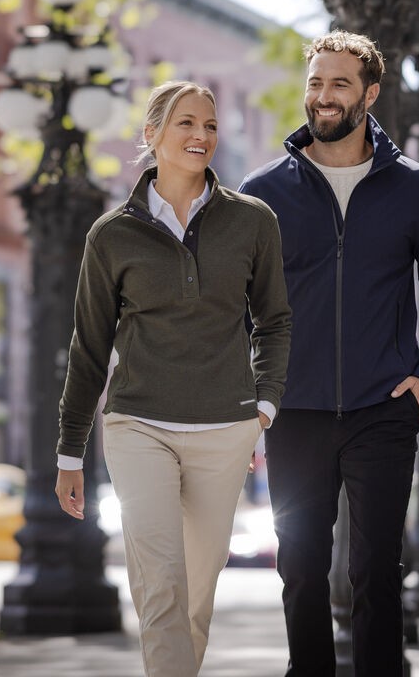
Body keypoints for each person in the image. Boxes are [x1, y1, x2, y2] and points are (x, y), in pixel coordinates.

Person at [239, 31, 419, 677]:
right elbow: (237, 299)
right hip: (294, 409)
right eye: (316, 82)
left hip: (383, 407)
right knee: (300, 567)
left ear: (369, 94)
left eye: (339, 84)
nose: (323, 95)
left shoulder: (413, 187)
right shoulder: (264, 191)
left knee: (377, 571)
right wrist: (253, 391)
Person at [55, 80, 291, 677]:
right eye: (186, 122)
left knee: (196, 594)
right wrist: (70, 451)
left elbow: (274, 321)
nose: (200, 135)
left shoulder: (252, 221)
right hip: (138, 424)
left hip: (224, 430)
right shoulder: (112, 234)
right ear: (152, 134)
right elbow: (89, 346)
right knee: (160, 580)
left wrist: (263, 408)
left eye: (209, 125)